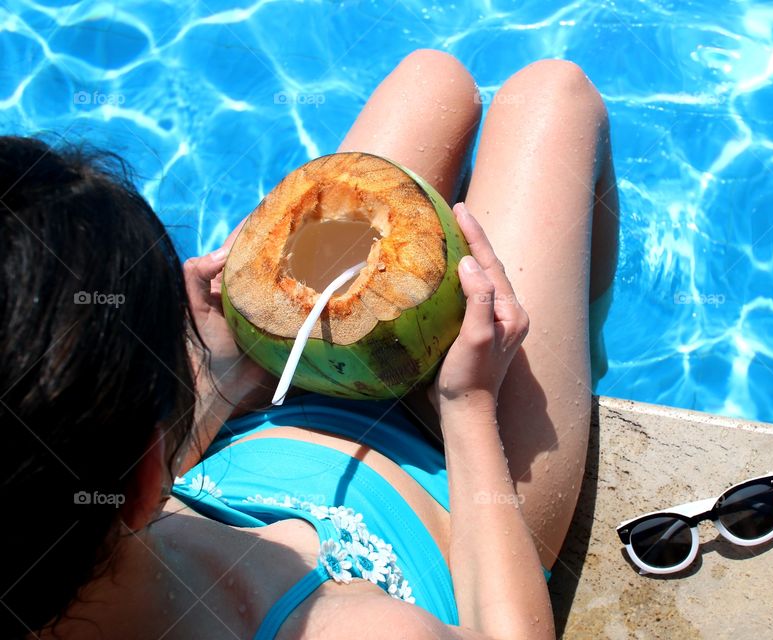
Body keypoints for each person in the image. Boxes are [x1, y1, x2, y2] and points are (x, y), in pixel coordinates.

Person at [0, 49, 619, 639]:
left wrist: (221, 381)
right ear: (137, 479)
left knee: (431, 80)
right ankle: (581, 356)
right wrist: (469, 406)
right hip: (460, 478)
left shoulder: (54, 550)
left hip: (267, 396)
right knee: (555, 95)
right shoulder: (356, 628)